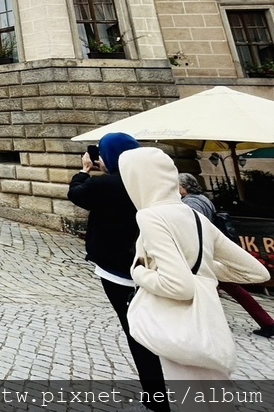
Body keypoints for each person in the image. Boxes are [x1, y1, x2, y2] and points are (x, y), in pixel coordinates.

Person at [122, 148, 268, 384]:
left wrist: (139, 273)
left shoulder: (150, 216)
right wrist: (204, 271)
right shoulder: (194, 215)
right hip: (209, 321)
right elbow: (256, 271)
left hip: (179, 326)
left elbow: (179, 287)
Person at [67, 133, 169, 412]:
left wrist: (84, 170)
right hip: (158, 267)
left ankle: (156, 397)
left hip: (120, 273)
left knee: (136, 331)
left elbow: (76, 193)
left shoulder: (109, 185)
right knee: (160, 328)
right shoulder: (156, 183)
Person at [177, 173, 274, 338]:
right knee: (227, 288)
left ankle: (266, 323)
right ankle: (266, 322)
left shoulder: (191, 203)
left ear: (184, 187)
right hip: (209, 250)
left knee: (220, 288)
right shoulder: (203, 198)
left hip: (204, 252)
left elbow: (194, 227)